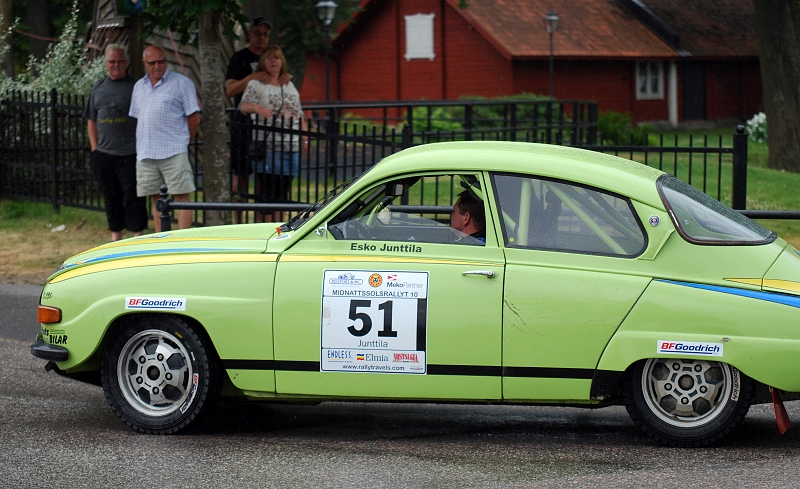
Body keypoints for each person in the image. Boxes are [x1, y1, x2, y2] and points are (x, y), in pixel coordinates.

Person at [225, 18, 292, 221]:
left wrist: (285, 77)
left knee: (266, 173)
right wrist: (251, 77)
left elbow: (282, 82)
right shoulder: (240, 58)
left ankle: (261, 219)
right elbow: (229, 90)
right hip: (244, 122)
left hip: (269, 125)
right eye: (257, 33)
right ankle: (237, 222)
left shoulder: (274, 57)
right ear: (250, 35)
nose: (261, 37)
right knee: (242, 172)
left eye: (265, 33)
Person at [129, 45, 201, 231]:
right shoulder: (138, 87)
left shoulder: (182, 83)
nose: (157, 66)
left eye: (161, 61)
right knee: (156, 199)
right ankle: (161, 241)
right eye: (152, 62)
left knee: (182, 198)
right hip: (146, 152)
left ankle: (182, 241)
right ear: (145, 63)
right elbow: (140, 118)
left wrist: (185, 141)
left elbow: (194, 118)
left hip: (173, 150)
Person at [84, 44, 148, 241]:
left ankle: (137, 234)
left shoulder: (137, 86)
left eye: (120, 61)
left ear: (126, 63)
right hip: (104, 153)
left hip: (130, 152)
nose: (116, 65)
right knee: (111, 197)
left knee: (133, 195)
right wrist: (95, 149)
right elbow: (91, 121)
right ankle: (116, 234)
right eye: (112, 61)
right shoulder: (98, 88)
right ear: (106, 64)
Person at [239, 45, 305, 222]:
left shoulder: (288, 84)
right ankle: (265, 227)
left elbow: (299, 114)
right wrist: (257, 107)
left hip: (292, 144)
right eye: (269, 58)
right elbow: (244, 106)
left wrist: (304, 139)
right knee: (268, 192)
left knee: (284, 191)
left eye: (277, 58)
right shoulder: (256, 84)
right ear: (263, 62)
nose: (274, 61)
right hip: (269, 145)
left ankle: (280, 226)